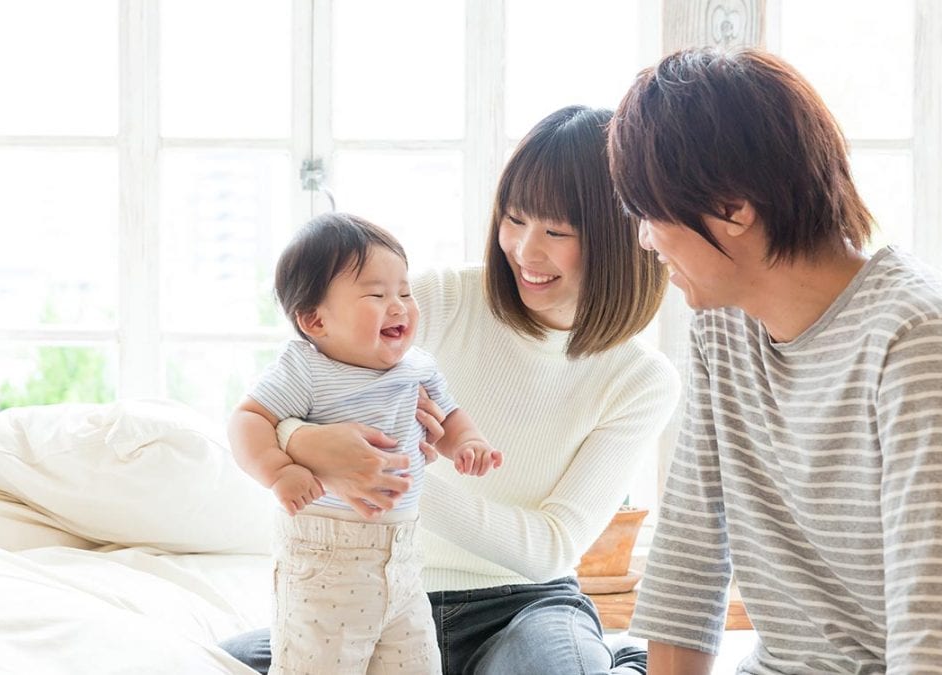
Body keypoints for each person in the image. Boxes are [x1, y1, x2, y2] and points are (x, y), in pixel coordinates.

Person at [607, 47, 942, 674]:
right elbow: (691, 554)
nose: (646, 239)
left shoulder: (918, 337)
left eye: (649, 214)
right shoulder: (721, 324)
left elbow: (935, 640)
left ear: (733, 208)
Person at [220, 105, 680, 675]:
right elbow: (279, 401)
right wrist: (310, 446)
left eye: (556, 232)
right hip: (380, 588)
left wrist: (396, 476)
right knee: (217, 665)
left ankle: (618, 662)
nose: (525, 251)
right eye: (514, 220)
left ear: (619, 239)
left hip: (521, 605)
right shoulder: (431, 300)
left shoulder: (639, 379)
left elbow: (552, 546)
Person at [230, 213, 503, 674]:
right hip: (327, 560)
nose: (399, 306)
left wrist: (468, 442)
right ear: (315, 320)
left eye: (405, 291)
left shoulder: (417, 366)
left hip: (403, 559)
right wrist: (279, 469)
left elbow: (449, 416)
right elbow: (247, 419)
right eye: (377, 295)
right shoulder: (307, 370)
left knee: (416, 664)